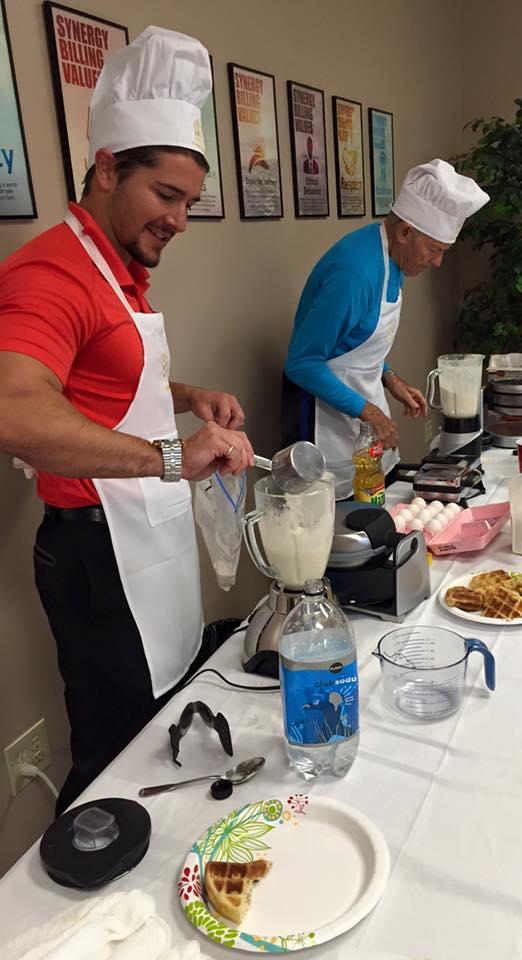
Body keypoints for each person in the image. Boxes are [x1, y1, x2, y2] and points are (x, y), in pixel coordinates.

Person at [0, 26, 254, 815]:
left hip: (144, 533)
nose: (179, 219)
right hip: (94, 553)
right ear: (107, 167)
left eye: (188, 201)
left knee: (160, 716)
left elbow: (107, 374)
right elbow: (13, 407)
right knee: (115, 748)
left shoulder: (119, 268)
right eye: (166, 196)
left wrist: (189, 396)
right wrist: (174, 456)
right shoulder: (49, 271)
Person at [281, 158, 490, 499]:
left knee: (377, 499)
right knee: (340, 520)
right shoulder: (356, 274)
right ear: (406, 231)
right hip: (321, 420)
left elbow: (354, 340)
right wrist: (371, 413)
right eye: (435, 250)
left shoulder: (393, 258)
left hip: (360, 408)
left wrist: (391, 379)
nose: (438, 262)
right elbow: (301, 363)